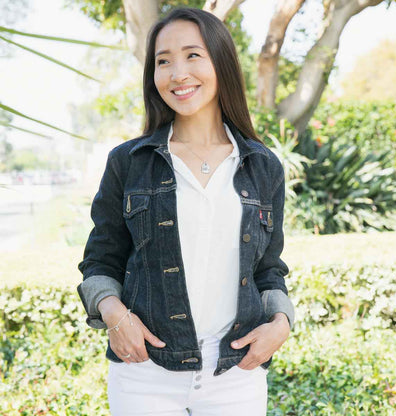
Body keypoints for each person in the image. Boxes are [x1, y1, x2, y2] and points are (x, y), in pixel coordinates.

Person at [77, 6, 295, 416]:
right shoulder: (129, 161)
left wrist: (281, 324)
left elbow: (268, 268)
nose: (178, 73)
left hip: (237, 372)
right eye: (163, 61)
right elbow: (99, 261)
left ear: (221, 62)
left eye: (193, 55)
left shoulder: (263, 166)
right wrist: (113, 315)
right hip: (145, 372)